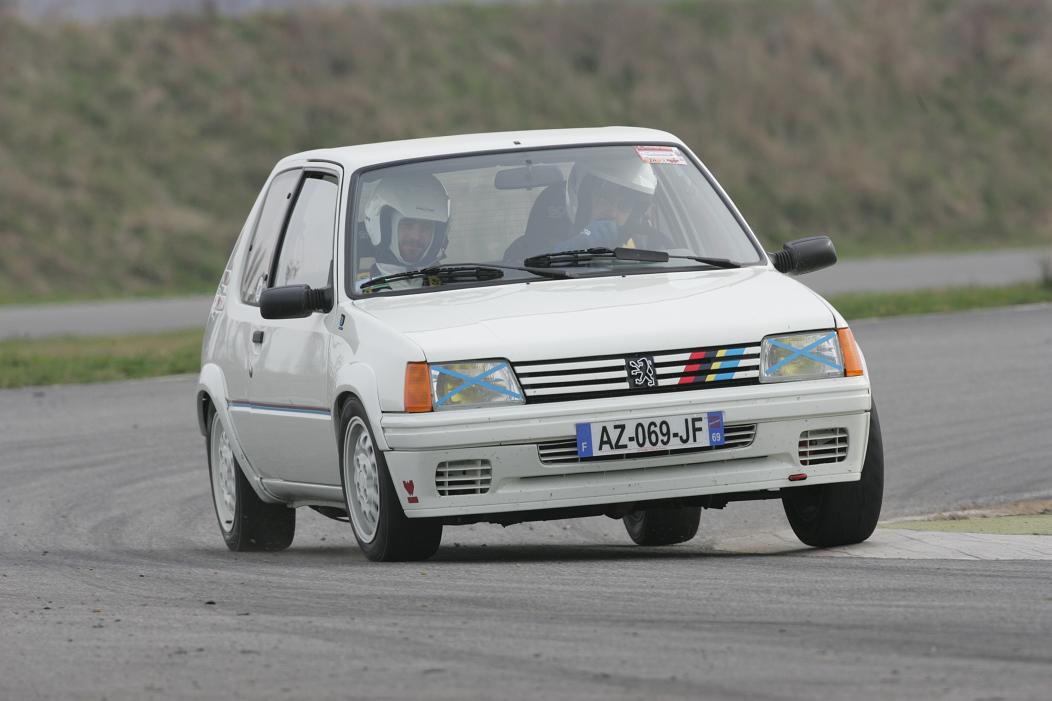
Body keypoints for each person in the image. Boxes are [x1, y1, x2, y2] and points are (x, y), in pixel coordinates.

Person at [358, 173, 451, 289]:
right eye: (407, 225)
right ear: (383, 227)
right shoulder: (357, 289)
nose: (416, 236)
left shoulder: (453, 287)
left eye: (426, 227)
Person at [558, 156, 663, 251]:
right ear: (584, 199)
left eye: (624, 205)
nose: (613, 213)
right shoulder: (554, 232)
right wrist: (579, 245)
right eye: (606, 198)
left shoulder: (644, 247)